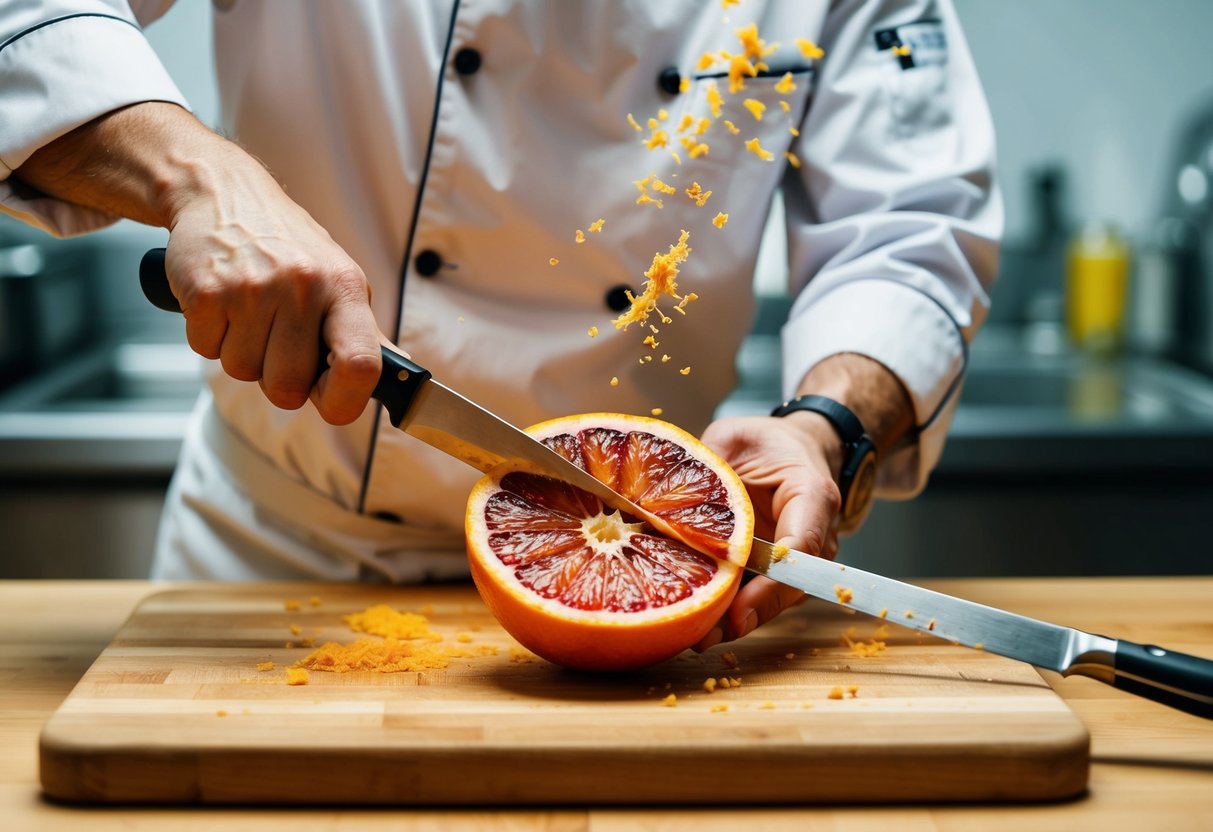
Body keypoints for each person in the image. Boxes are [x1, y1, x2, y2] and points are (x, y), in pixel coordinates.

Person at [0, 0, 1000, 650]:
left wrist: (825, 424)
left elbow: (911, 223)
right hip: (269, 565)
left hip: (650, 598)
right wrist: (199, 177)